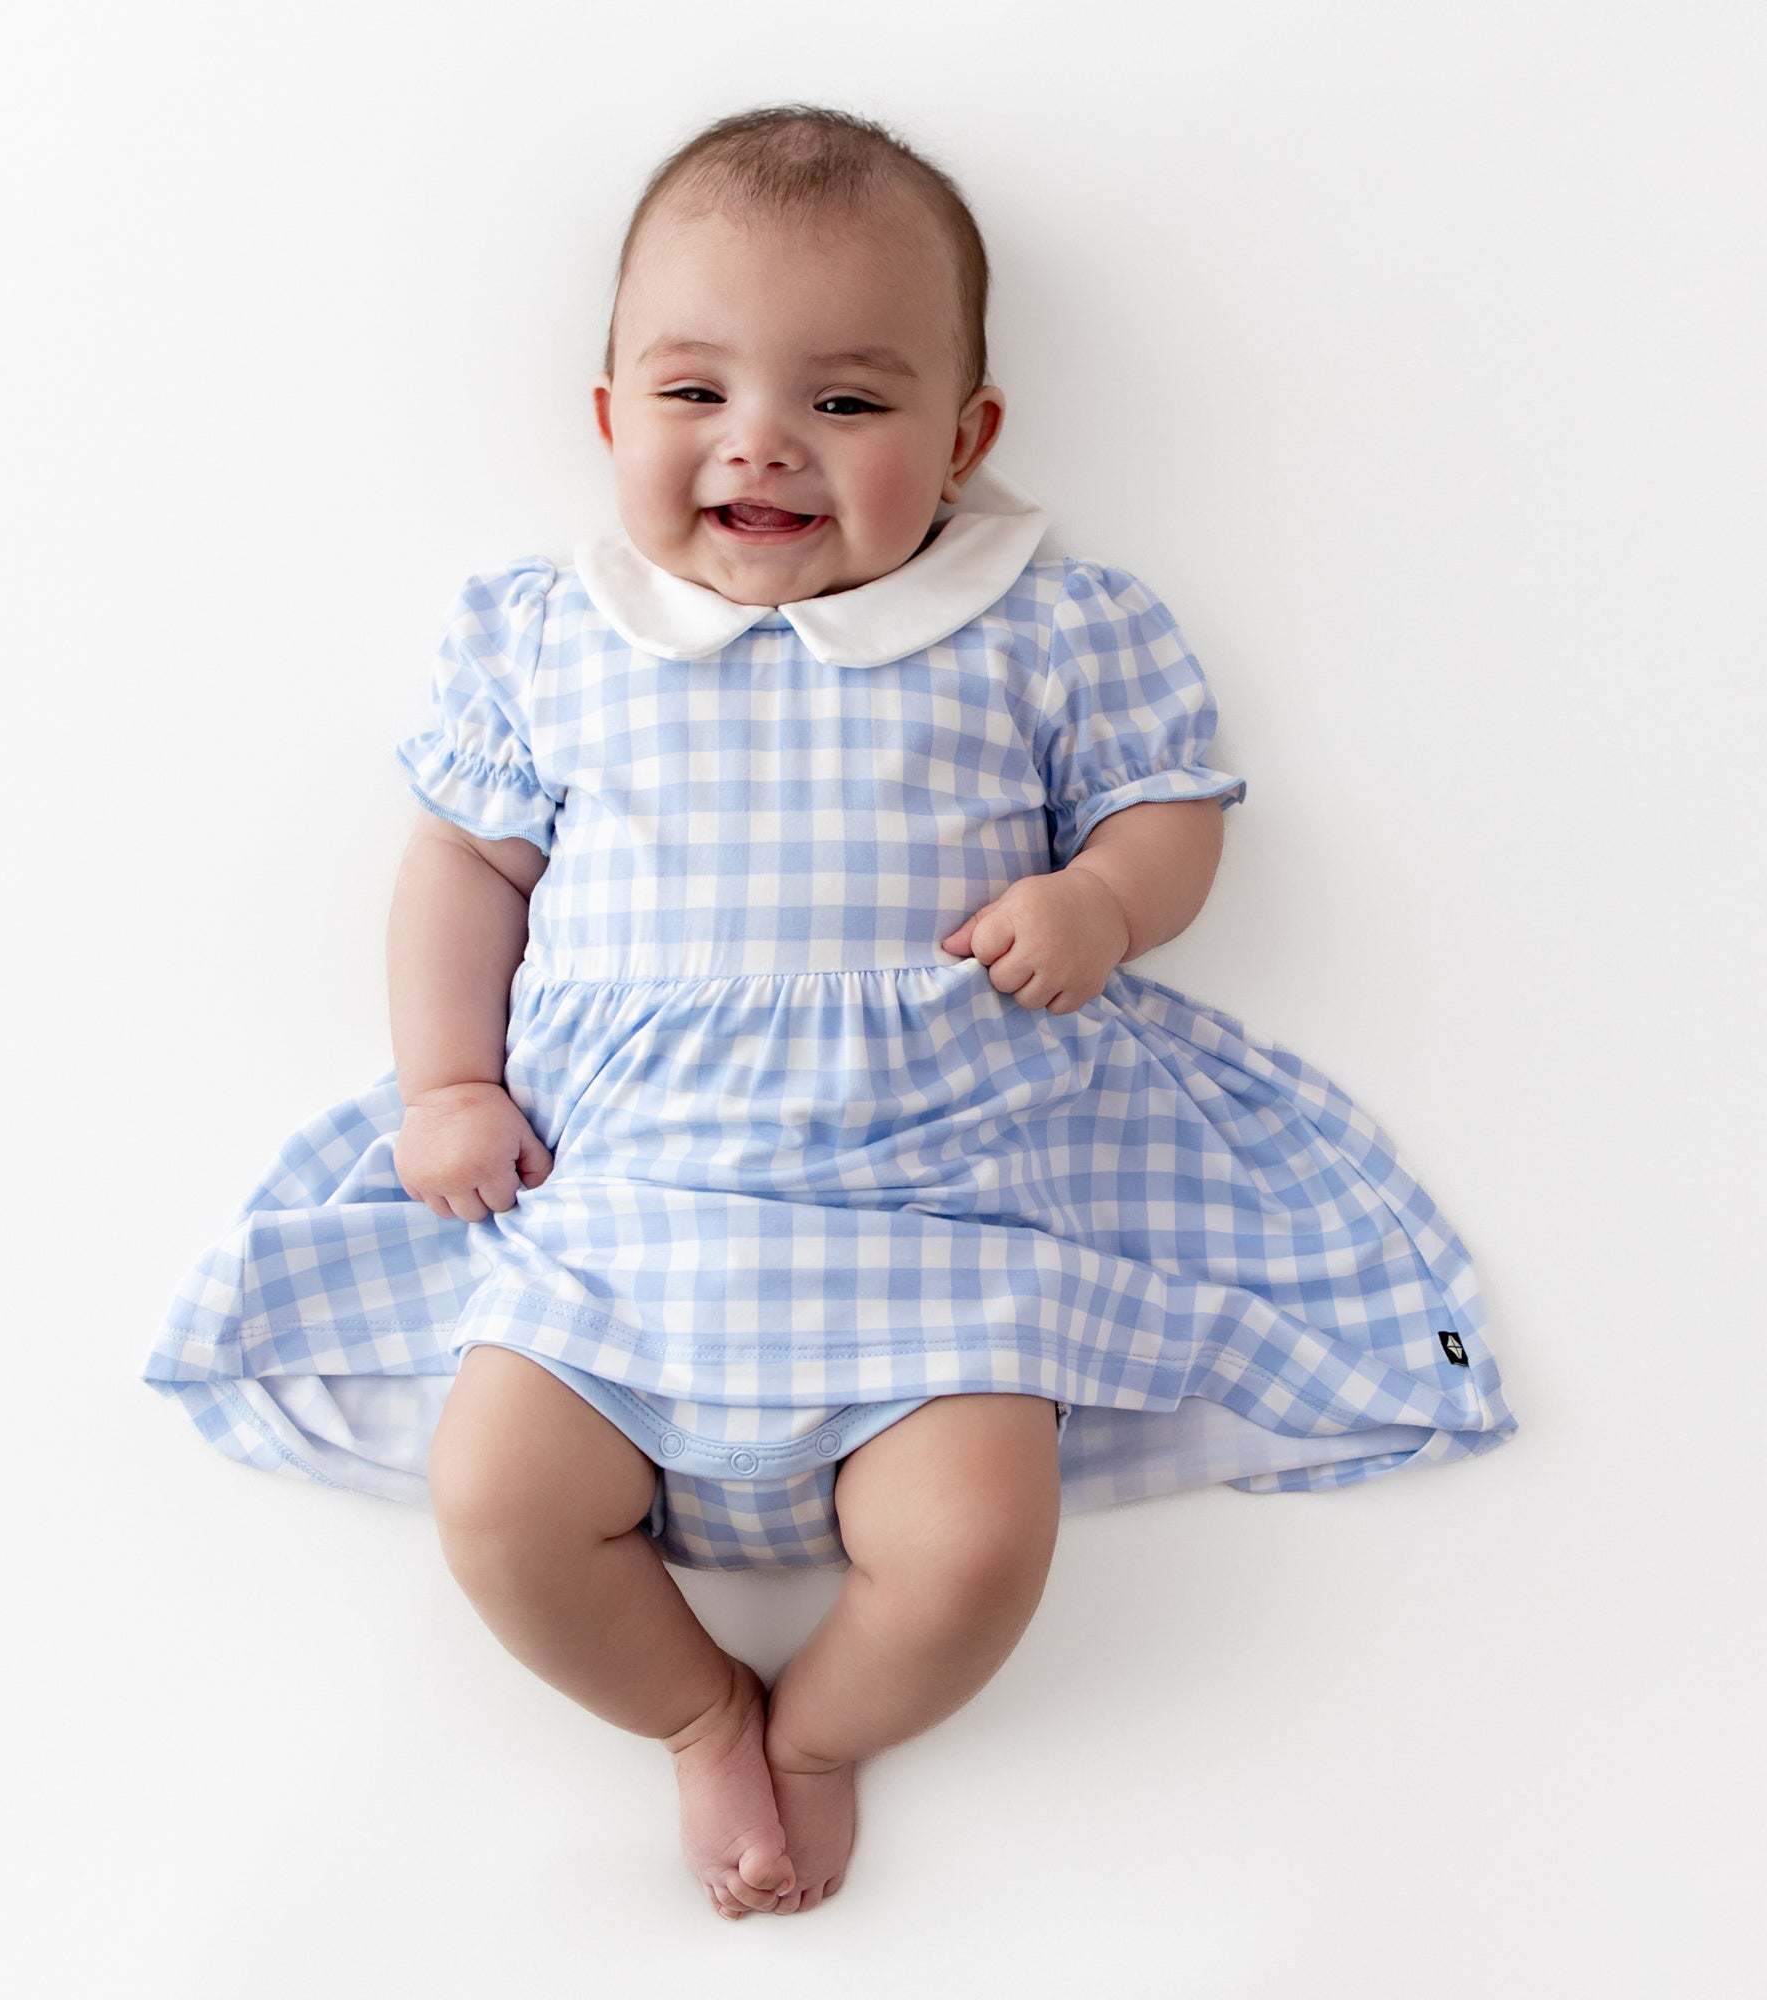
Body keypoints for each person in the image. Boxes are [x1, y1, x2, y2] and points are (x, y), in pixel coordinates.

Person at [144, 103, 1517, 1921]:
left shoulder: (1042, 624)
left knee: (968, 1552)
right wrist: (449, 1083)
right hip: (614, 1205)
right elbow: (464, 871)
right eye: (695, 392)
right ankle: (700, 1708)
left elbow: (1168, 815)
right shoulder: (552, 635)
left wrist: (1101, 899)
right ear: (612, 416)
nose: (763, 445)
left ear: (965, 440)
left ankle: (816, 1739)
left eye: (849, 404)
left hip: (937, 1209)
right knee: (499, 1504)